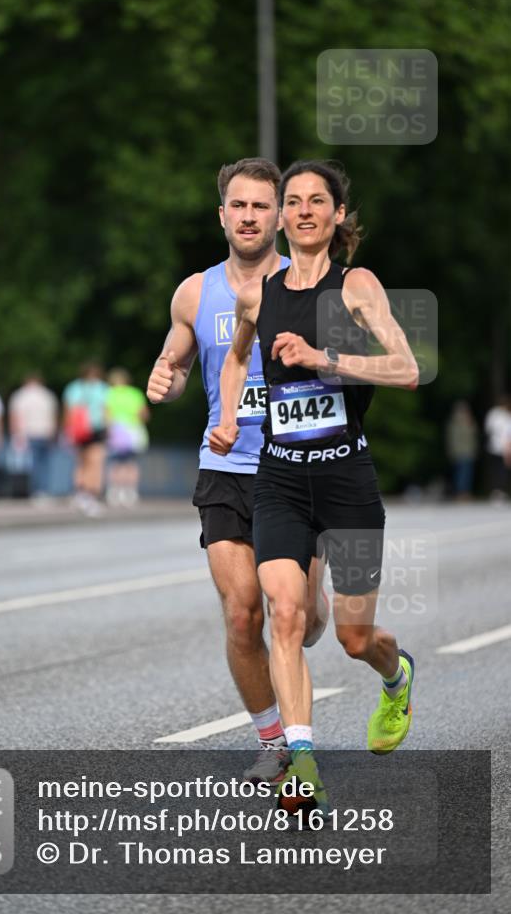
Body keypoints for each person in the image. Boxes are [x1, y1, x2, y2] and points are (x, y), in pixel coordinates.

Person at [210, 159, 419, 811]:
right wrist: (225, 413)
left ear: (335, 217)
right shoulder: (257, 294)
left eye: (315, 201)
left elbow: (407, 368)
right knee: (285, 614)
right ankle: (302, 764)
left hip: (345, 480)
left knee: (356, 639)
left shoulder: (355, 285)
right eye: (291, 201)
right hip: (278, 478)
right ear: (280, 216)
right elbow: (238, 352)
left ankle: (395, 674)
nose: (301, 210)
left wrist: (323, 358)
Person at [147, 158, 329, 785]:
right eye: (238, 206)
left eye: (261, 206)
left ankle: (313, 594)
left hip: (296, 465)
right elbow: (173, 363)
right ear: (221, 213)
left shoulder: (306, 281)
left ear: (279, 215)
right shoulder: (195, 291)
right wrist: (163, 381)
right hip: (224, 464)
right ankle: (276, 741)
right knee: (241, 613)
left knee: (301, 620)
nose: (249, 217)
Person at [63, 362, 109, 516]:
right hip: (96, 428)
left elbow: (69, 411)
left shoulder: (74, 388)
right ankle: (91, 496)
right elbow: (106, 411)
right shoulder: (103, 388)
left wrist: (68, 430)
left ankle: (80, 494)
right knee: (95, 463)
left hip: (78, 429)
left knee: (81, 463)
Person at [9, 374, 59, 499]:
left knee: (32, 464)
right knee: (44, 464)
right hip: (44, 433)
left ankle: (34, 490)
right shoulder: (47, 396)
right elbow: (53, 416)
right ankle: (43, 490)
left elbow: (15, 417)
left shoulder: (20, 396)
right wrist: (53, 433)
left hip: (27, 433)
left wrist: (15, 434)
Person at [105, 368, 149, 507]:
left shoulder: (109, 393)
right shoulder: (135, 393)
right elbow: (144, 414)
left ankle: (114, 491)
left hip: (116, 431)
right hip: (132, 431)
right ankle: (130, 492)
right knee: (131, 463)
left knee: (115, 463)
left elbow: (106, 414)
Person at [445, 400, 478, 500]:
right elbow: (452, 438)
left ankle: (464, 492)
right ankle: (460, 493)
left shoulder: (469, 422)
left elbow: (474, 435)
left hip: (468, 451)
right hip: (460, 451)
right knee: (461, 473)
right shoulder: (454, 423)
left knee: (467, 473)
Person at [483, 395, 511, 500]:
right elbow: (507, 435)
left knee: (496, 470)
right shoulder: (506, 416)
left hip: (493, 446)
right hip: (501, 448)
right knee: (501, 470)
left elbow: (488, 430)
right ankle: (498, 491)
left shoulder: (492, 413)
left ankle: (497, 491)